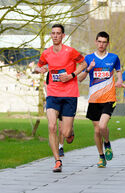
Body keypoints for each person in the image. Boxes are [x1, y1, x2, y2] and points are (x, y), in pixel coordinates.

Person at [35, 24, 87, 172]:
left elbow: (83, 63)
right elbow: (38, 67)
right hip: (53, 93)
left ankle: (70, 131)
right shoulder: (46, 53)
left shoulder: (70, 51)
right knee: (51, 126)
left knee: (65, 133)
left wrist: (71, 75)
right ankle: (57, 161)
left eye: (58, 33)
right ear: (51, 35)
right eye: (53, 33)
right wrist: (41, 69)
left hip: (70, 94)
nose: (55, 36)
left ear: (63, 36)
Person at [78, 31, 122, 168]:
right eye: (99, 41)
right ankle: (101, 156)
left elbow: (119, 72)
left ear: (108, 43)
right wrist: (88, 69)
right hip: (94, 99)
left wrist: (120, 80)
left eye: (104, 42)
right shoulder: (89, 58)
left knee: (102, 126)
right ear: (96, 42)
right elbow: (79, 79)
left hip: (109, 97)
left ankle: (107, 143)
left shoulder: (114, 58)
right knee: (97, 131)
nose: (101, 44)